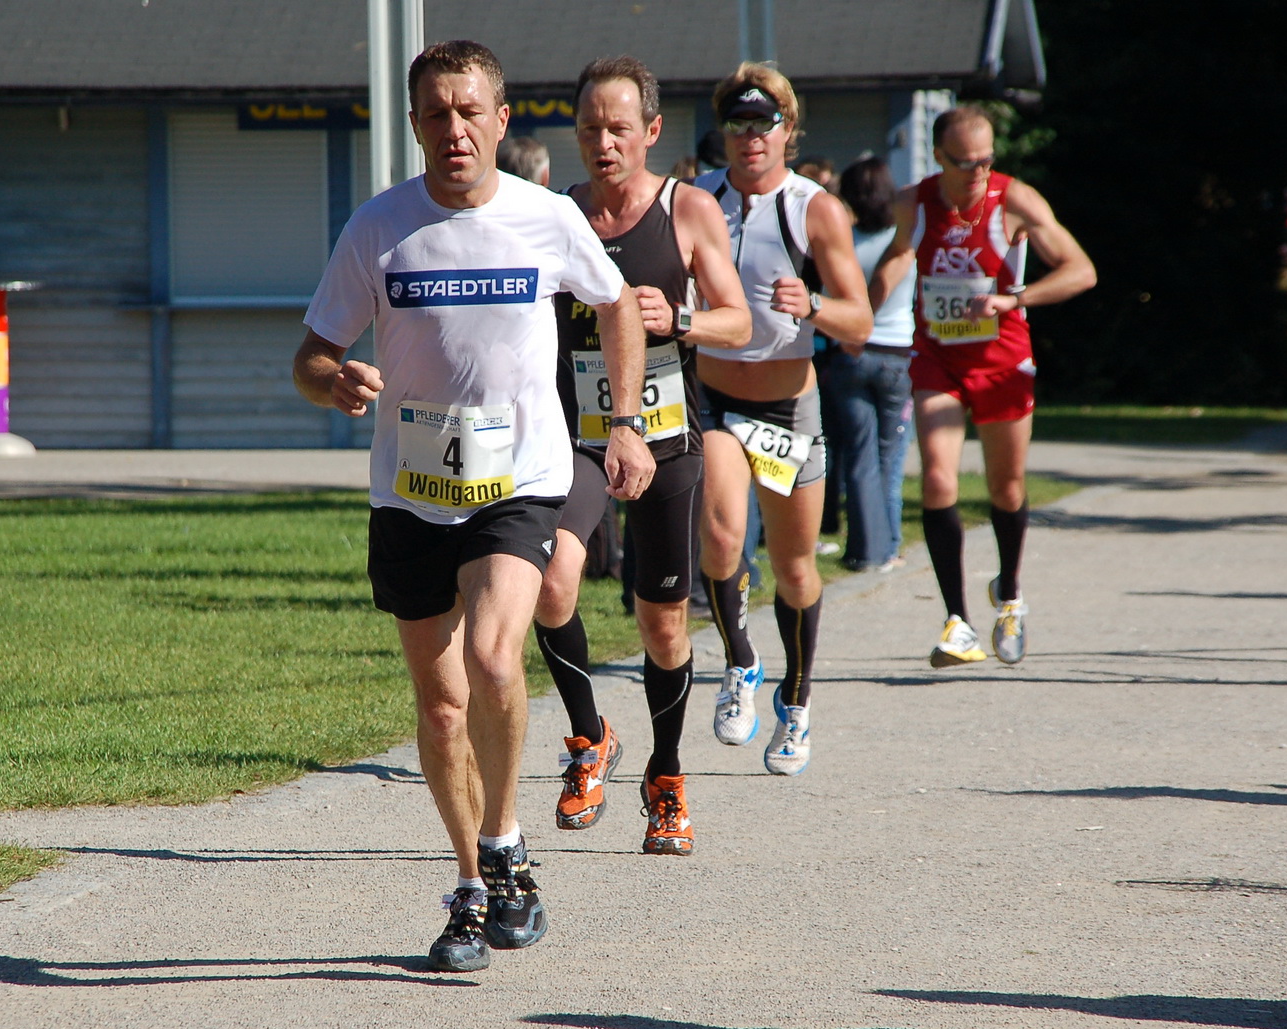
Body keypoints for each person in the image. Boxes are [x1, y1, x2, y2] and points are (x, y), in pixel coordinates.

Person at [293, 40, 652, 972]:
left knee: (496, 656)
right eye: (436, 114)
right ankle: (468, 885)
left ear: (501, 120)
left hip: (520, 484)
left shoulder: (545, 218)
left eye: (469, 112)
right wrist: (334, 379)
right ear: (414, 125)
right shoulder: (379, 228)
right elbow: (310, 352)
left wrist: (623, 422)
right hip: (411, 495)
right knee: (442, 707)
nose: (453, 130)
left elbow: (615, 307)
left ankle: (504, 843)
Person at [536, 56, 750, 855]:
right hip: (580, 436)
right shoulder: (555, 214)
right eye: (589, 128)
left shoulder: (687, 208)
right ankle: (591, 738)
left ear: (651, 131)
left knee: (661, 627)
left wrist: (683, 317)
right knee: (553, 581)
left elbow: (741, 322)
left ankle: (665, 776)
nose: (603, 142)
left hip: (665, 438)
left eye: (618, 128)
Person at [694, 64, 872, 776]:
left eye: (763, 124)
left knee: (796, 568)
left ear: (787, 131)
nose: (749, 138)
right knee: (719, 532)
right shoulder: (698, 200)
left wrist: (816, 306)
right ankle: (741, 661)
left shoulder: (815, 209)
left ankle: (795, 705)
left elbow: (860, 322)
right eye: (736, 125)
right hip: (713, 400)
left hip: (788, 407)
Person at [872, 104, 1096, 668]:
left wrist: (1014, 299)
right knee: (939, 479)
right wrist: (870, 301)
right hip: (937, 359)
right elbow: (899, 255)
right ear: (939, 157)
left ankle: (1011, 594)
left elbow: (1080, 269)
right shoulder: (913, 202)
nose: (977, 172)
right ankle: (958, 622)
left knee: (1007, 487)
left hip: (1003, 359)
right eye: (964, 163)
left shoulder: (1014, 200)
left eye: (985, 161)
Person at [822, 155, 917, 571]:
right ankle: (889, 545)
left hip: (850, 354)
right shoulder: (903, 239)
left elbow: (829, 294)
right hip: (896, 355)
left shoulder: (842, 241)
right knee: (889, 458)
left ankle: (863, 549)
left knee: (859, 458)